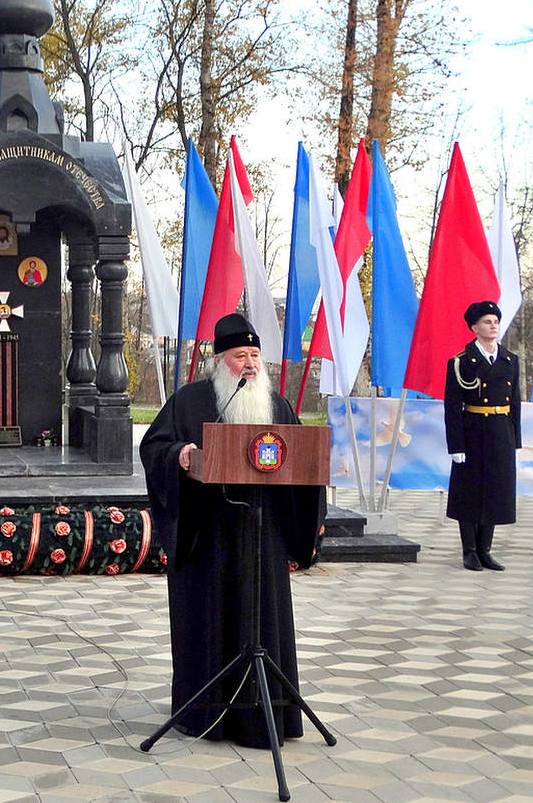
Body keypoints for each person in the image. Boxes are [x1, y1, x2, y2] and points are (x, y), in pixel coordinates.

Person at [140, 312, 326, 748]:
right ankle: (207, 712)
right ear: (219, 360)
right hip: (210, 537)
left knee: (262, 623)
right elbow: (154, 447)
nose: (250, 364)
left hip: (264, 537)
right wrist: (181, 455)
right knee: (212, 618)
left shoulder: (277, 407)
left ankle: (265, 713)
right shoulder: (190, 401)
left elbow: (298, 459)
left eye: (255, 356)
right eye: (240, 355)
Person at [444, 300, 520, 572]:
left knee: (496, 491)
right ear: (475, 327)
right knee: (469, 491)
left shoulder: (510, 360)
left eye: (496, 321)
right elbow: (452, 406)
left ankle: (486, 549)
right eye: (487, 321)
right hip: (473, 431)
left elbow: (516, 403)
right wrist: (456, 444)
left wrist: (515, 440)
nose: (493, 325)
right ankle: (470, 550)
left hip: (500, 431)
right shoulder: (461, 362)